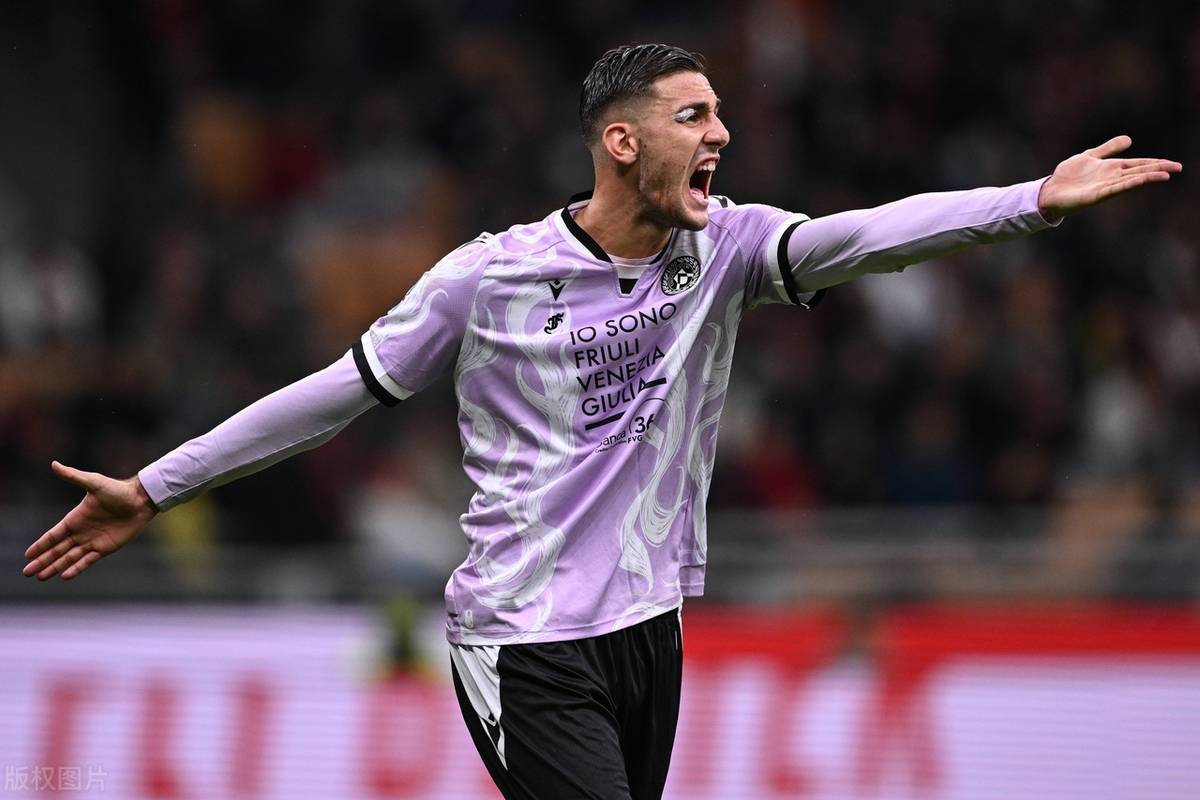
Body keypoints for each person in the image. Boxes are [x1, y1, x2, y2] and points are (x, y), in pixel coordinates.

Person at [23, 43, 1181, 799]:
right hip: (525, 635)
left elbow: (866, 235)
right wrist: (158, 483)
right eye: (693, 115)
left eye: (721, 114)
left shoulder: (725, 247)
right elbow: (334, 392)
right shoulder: (487, 278)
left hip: (648, 627)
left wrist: (1030, 201)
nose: (720, 134)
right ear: (622, 142)